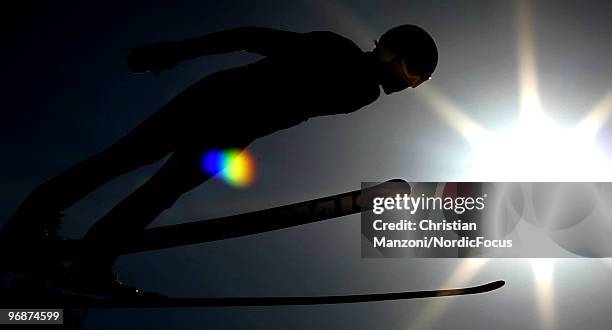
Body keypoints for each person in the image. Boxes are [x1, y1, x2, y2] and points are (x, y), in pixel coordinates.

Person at [2, 25, 438, 295]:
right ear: (394, 56)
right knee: (126, 159)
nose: (410, 85)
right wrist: (174, 51)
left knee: (163, 191)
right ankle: (28, 224)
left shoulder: (362, 93)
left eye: (417, 81)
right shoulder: (338, 51)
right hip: (213, 104)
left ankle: (90, 262)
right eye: (413, 74)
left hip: (234, 134)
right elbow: (250, 37)